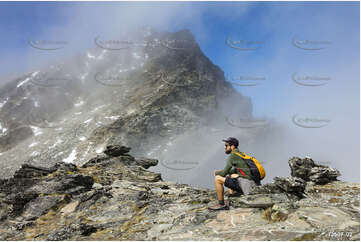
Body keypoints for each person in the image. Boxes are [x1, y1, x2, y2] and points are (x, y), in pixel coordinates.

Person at [208, 137, 257, 211]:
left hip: (245, 185)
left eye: (226, 145)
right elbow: (236, 170)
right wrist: (225, 171)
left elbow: (223, 173)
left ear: (232, 146)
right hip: (252, 184)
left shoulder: (233, 155)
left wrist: (216, 172)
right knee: (232, 175)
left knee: (217, 179)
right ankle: (232, 196)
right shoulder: (240, 154)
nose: (225, 147)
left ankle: (221, 204)